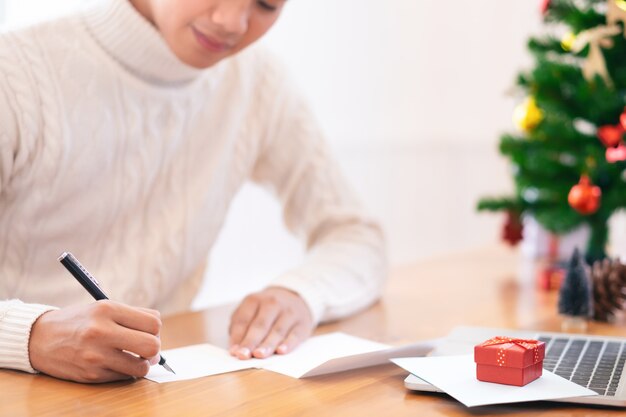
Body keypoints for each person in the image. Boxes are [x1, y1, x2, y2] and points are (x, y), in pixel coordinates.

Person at [0, 0, 386, 383]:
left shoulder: (256, 80)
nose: (232, 22)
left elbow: (357, 236)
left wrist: (302, 293)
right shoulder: (15, 73)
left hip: (154, 391)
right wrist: (30, 335)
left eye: (267, 3)